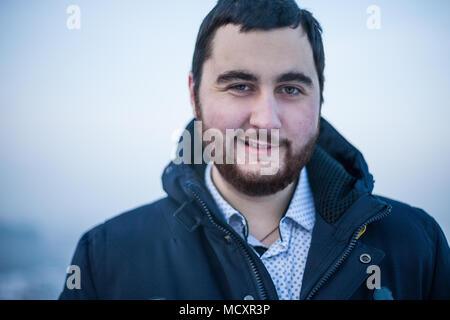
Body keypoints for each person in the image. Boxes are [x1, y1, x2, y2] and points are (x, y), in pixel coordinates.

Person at [59, 0, 449, 300]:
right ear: (193, 95)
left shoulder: (417, 245)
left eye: (290, 89)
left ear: (320, 96)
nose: (266, 120)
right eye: (240, 86)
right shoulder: (107, 258)